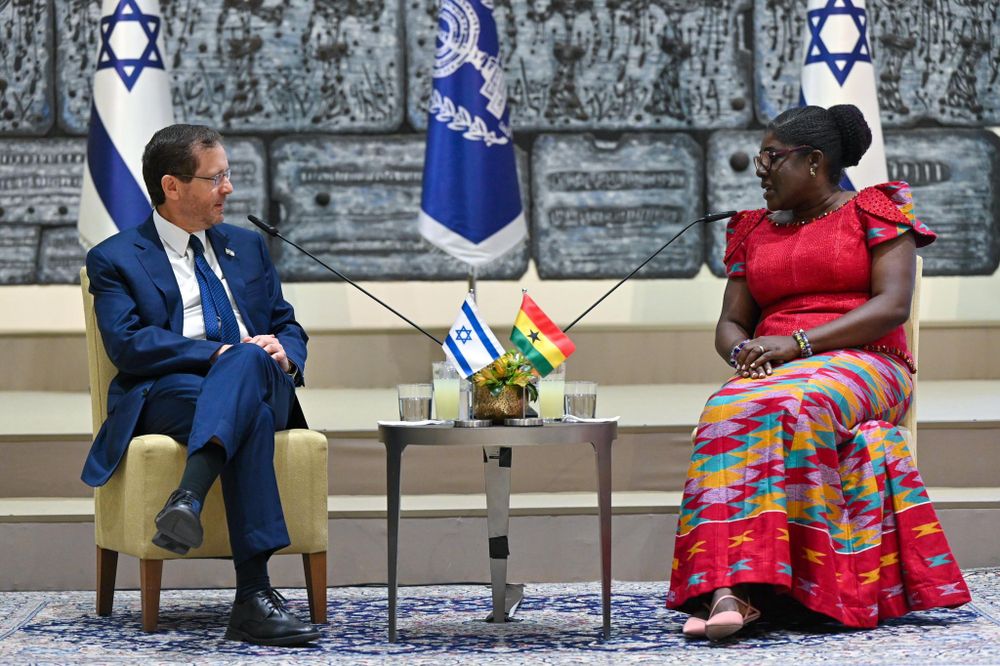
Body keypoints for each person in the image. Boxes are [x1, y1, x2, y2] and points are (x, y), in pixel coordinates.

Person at [668, 105, 971, 641]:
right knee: (725, 408)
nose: (759, 168)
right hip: (780, 367)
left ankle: (795, 587)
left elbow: (892, 305)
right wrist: (745, 354)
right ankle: (729, 587)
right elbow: (731, 322)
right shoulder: (751, 229)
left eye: (771, 157)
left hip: (868, 359)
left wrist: (798, 343)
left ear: (813, 162)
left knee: (799, 404)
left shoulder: (874, 211)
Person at [81, 124, 321, 646]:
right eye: (216, 178)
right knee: (246, 398)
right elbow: (128, 344)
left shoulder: (248, 247)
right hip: (171, 393)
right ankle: (253, 598)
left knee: (253, 365)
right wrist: (219, 352)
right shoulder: (116, 258)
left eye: (228, 174)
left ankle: (188, 496)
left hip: (262, 381)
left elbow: (286, 323)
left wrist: (286, 351)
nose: (229, 189)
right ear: (172, 186)